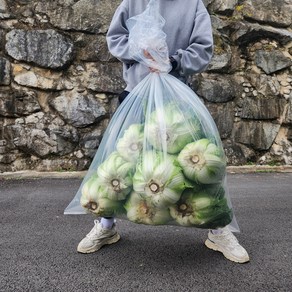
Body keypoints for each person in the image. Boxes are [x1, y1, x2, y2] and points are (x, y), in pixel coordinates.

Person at [77, 0, 250, 264]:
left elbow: (203, 49)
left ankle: (218, 230)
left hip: (176, 98)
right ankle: (106, 225)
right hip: (135, 95)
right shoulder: (132, 2)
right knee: (120, 163)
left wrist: (172, 61)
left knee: (196, 163)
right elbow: (115, 38)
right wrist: (139, 52)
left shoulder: (193, 5)